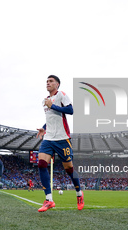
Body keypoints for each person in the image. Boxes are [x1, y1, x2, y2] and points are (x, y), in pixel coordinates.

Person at [36, 75, 84, 212]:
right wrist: (44, 128)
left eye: (51, 81)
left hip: (62, 138)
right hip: (49, 138)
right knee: (41, 163)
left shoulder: (62, 95)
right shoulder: (44, 101)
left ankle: (79, 194)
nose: (48, 83)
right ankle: (49, 199)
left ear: (57, 84)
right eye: (47, 81)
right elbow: (51, 119)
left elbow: (70, 110)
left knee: (69, 169)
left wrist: (54, 106)